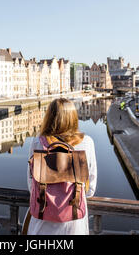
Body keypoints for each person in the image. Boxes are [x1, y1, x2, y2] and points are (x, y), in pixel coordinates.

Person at [26, 98, 97, 235]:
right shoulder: (87, 143)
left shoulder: (37, 143)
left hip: (41, 222)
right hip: (73, 224)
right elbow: (90, 189)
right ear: (73, 118)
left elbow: (31, 184)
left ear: (49, 117)